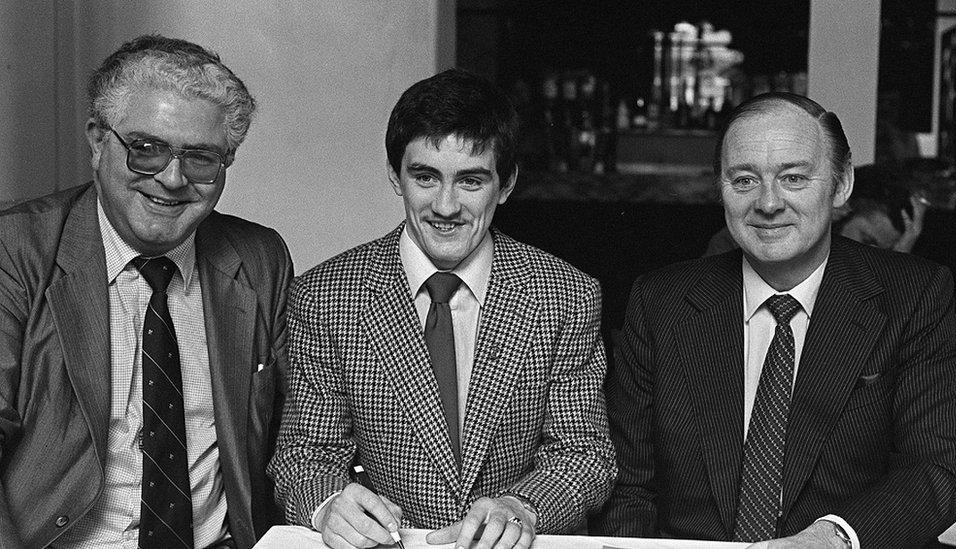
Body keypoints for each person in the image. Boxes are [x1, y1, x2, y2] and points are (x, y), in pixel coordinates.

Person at [594, 92, 956, 548]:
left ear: (841, 184)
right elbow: (629, 487)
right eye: (744, 180)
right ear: (720, 188)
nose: (768, 203)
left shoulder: (913, 297)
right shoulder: (662, 302)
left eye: (793, 177)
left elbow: (935, 472)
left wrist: (832, 539)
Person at [269, 68, 616, 549]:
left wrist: (523, 506)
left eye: (471, 181)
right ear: (396, 176)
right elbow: (305, 456)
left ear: (507, 183)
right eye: (425, 177)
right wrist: (330, 505)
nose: (446, 206)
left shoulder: (565, 294)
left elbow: (583, 453)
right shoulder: (326, 296)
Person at [0, 35, 293, 549]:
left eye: (201, 157)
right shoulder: (16, 250)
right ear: (97, 142)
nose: (173, 178)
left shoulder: (258, 257)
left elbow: (302, 430)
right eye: (147, 149)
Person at [704, 164, 928, 257]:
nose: (871, 256)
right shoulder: (744, 245)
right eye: (868, 241)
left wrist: (899, 257)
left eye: (887, 251)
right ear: (839, 211)